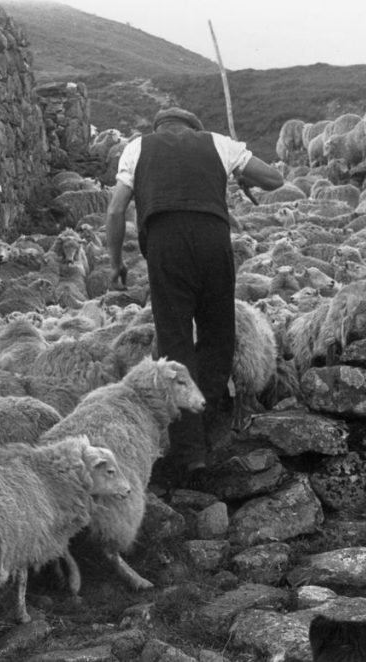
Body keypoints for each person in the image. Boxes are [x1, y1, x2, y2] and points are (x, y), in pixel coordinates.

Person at [105, 106, 284, 487]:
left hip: (166, 245)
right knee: (219, 337)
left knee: (174, 341)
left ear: (160, 128)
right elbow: (275, 179)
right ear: (194, 128)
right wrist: (238, 172)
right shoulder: (218, 143)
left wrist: (116, 262)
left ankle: (188, 456)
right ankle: (210, 429)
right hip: (212, 241)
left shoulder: (138, 149)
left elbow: (116, 209)